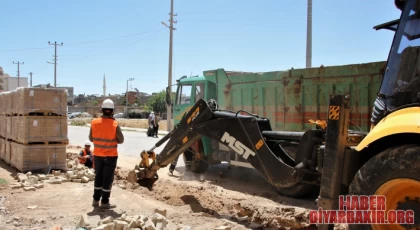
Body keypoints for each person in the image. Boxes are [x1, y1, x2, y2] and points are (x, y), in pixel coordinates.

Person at [89, 99, 124, 209]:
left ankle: (95, 200)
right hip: (110, 156)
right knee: (107, 179)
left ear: (102, 110)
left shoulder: (94, 122)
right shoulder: (114, 124)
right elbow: (121, 140)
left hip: (98, 155)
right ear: (112, 110)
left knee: (98, 177)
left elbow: (91, 138)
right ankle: (104, 202)